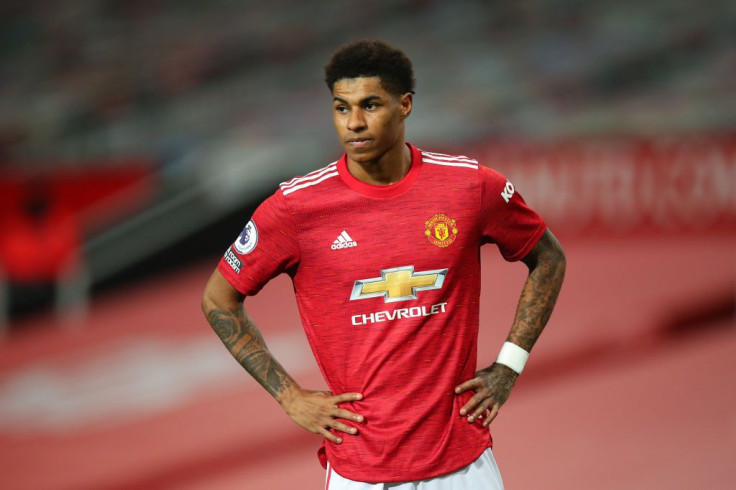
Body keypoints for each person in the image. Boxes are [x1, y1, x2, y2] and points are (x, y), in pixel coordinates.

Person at [201, 39, 566, 489]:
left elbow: (548, 257)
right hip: (360, 472)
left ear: (405, 105)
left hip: (464, 467)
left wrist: (509, 365)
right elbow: (219, 298)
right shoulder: (295, 208)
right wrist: (289, 396)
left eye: (370, 105)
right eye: (341, 107)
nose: (353, 122)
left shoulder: (469, 187)